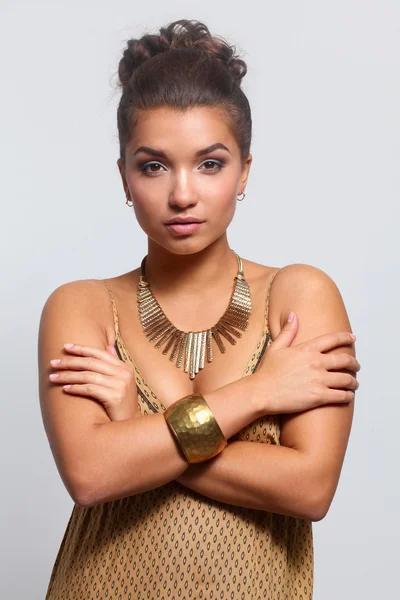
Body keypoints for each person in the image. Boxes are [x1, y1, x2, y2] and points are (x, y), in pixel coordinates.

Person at [38, 19, 360, 599]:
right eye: (153, 165)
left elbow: (311, 489)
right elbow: (90, 476)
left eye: (209, 163)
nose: (182, 193)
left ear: (244, 172)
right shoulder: (82, 305)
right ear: (124, 177)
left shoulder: (298, 296)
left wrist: (136, 433)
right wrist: (260, 393)